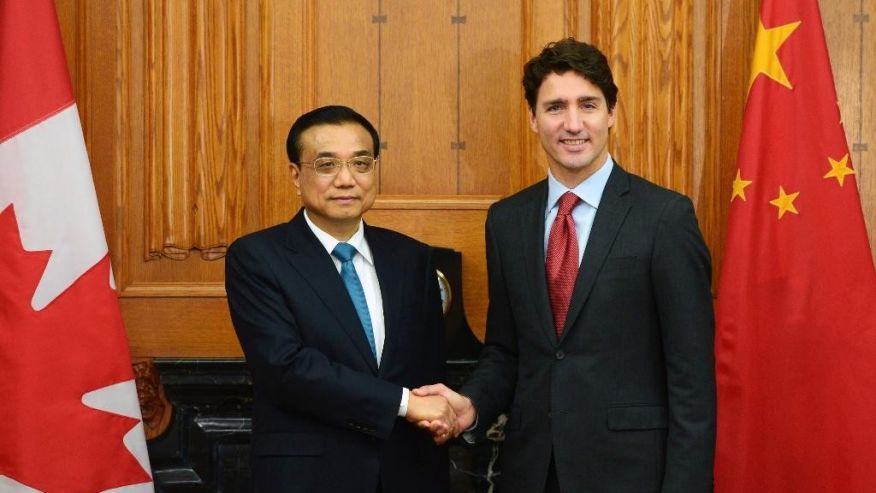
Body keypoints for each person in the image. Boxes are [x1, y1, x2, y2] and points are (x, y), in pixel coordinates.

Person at [415, 38, 716, 492]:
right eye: (555, 107)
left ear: (611, 113)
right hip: (533, 472)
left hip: (634, 475)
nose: (573, 124)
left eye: (588, 105)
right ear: (534, 120)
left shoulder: (665, 217)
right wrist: (470, 404)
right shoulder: (507, 220)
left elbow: (692, 379)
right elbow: (507, 351)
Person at [226, 105, 454, 493]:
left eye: (361, 164)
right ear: (296, 176)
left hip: (408, 473)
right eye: (327, 165)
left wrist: (439, 411)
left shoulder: (413, 258)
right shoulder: (258, 257)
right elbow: (285, 368)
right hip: (308, 476)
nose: (347, 180)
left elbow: (426, 368)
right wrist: (403, 403)